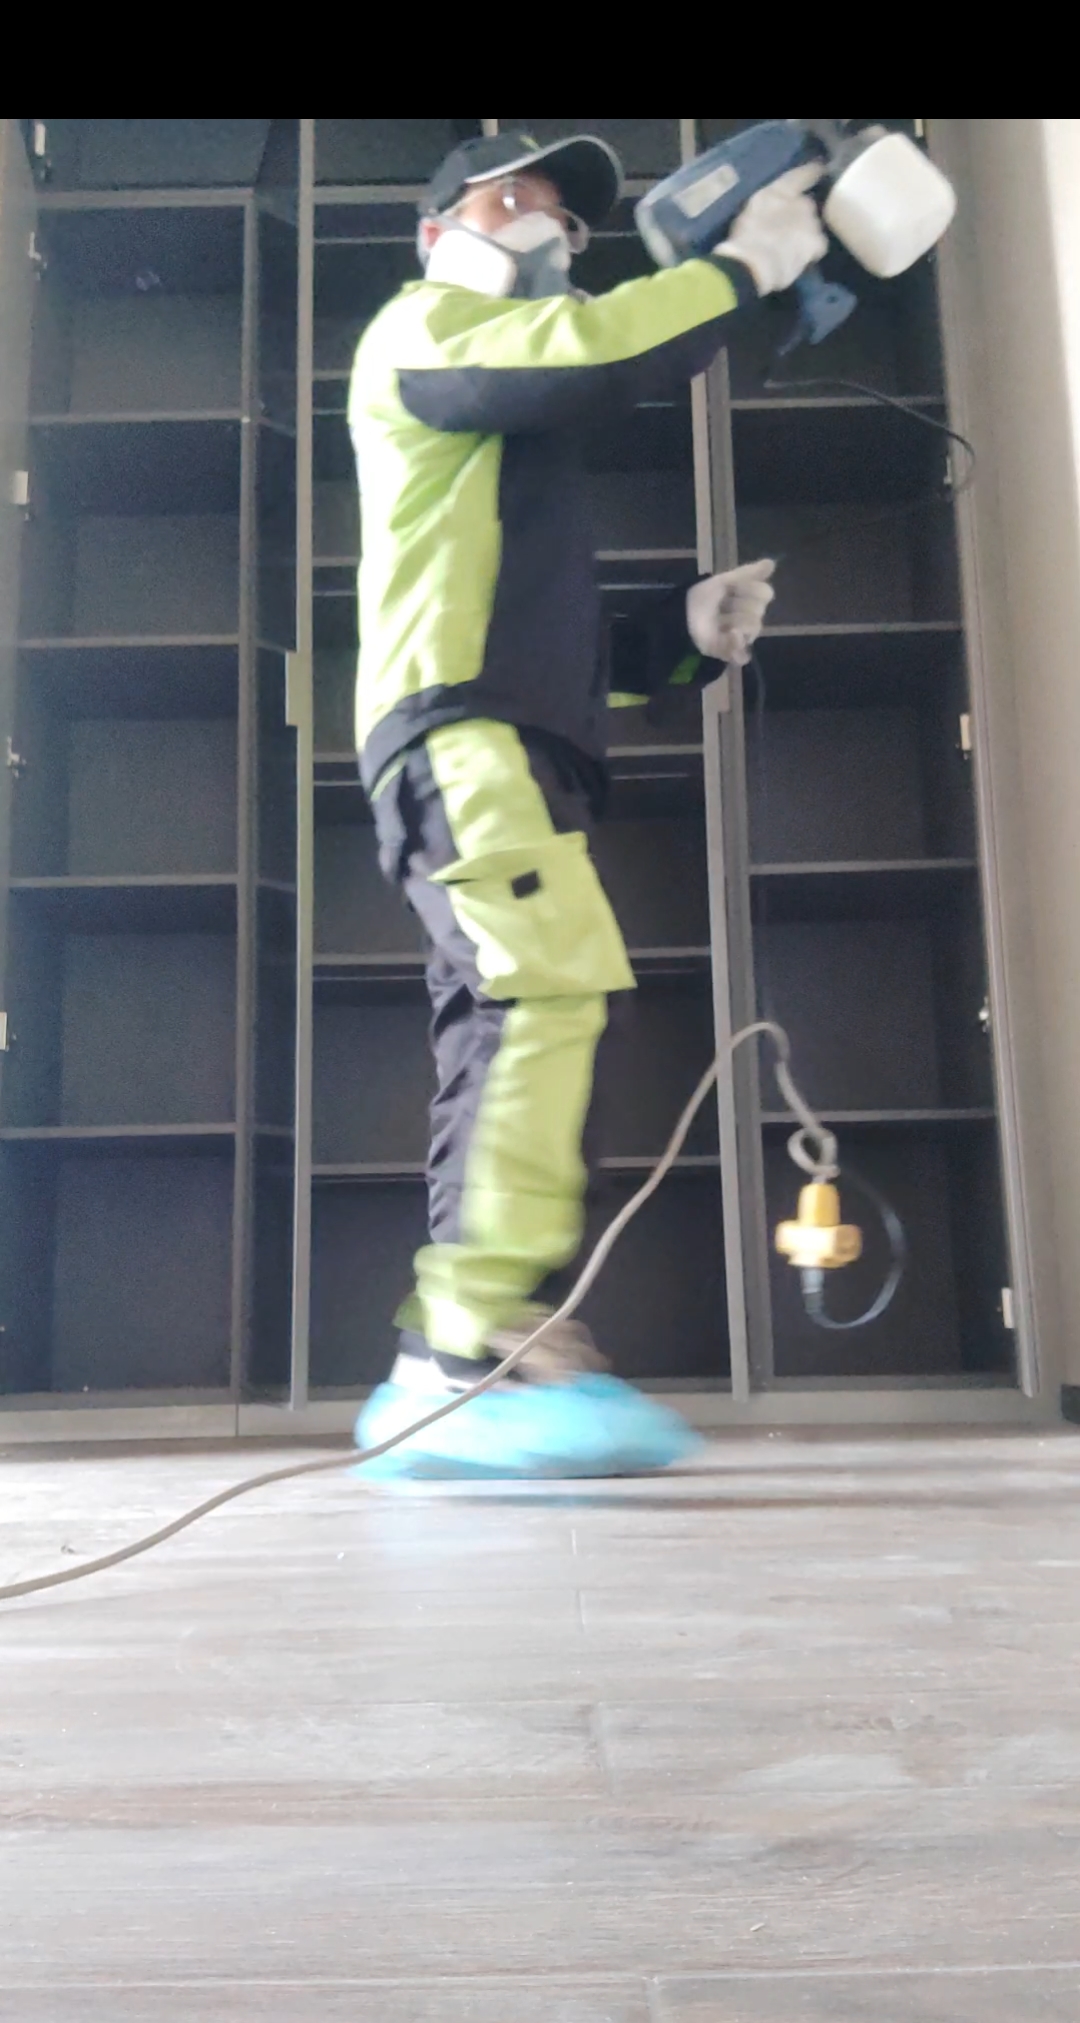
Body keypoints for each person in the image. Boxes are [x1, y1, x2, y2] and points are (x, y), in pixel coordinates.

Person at [348, 130, 827, 1477]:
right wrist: (739, 274)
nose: (547, 228)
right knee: (541, 992)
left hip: (506, 733)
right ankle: (465, 1351)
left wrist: (679, 636)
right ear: (438, 231)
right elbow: (598, 350)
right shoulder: (425, 329)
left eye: (564, 219)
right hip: (461, 734)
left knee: (516, 1014)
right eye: (516, 200)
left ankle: (471, 1345)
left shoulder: (511, 440)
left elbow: (541, 630)